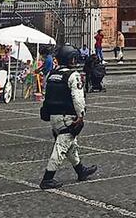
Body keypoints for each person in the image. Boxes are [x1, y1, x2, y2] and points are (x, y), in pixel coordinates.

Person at [39, 45, 97, 189]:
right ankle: (47, 178)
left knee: (69, 144)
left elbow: (47, 95)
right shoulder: (73, 75)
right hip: (67, 117)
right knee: (61, 148)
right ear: (71, 58)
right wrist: (81, 115)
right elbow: (77, 98)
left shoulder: (51, 74)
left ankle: (80, 170)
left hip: (54, 116)